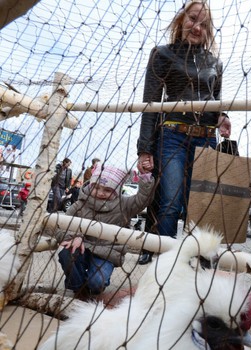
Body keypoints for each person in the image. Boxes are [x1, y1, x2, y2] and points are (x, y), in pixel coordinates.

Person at [136, 0, 230, 265]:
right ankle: (167, 264)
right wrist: (144, 148)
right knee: (170, 202)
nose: (197, 27)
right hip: (172, 136)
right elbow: (150, 105)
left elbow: (216, 101)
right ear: (181, 20)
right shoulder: (162, 54)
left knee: (200, 205)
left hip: (206, 138)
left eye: (204, 24)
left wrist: (223, 117)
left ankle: (199, 262)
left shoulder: (215, 62)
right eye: (192, 19)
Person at [56, 164, 154, 299]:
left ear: (117, 190)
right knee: (66, 253)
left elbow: (143, 200)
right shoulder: (80, 204)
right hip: (83, 248)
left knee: (96, 283)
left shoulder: (124, 206)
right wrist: (74, 236)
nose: (100, 193)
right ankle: (78, 288)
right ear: (90, 186)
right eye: (96, 187)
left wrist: (145, 177)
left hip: (106, 253)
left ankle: (92, 286)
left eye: (107, 190)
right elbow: (60, 226)